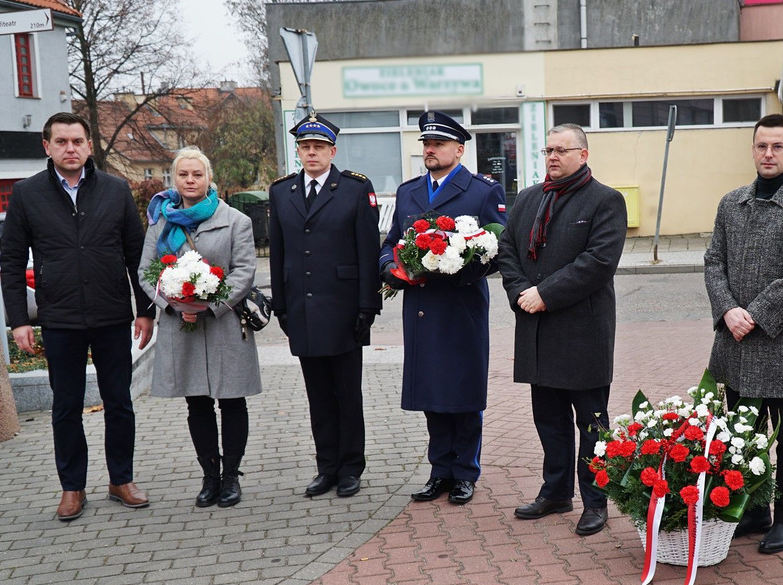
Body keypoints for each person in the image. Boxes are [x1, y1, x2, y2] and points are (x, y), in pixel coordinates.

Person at [0, 111, 155, 522]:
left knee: (119, 402)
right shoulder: (27, 194)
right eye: (62, 142)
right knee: (65, 407)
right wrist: (19, 321)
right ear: (47, 147)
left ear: (89, 145)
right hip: (61, 318)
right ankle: (72, 488)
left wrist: (146, 312)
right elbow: (12, 262)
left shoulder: (116, 190)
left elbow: (136, 256)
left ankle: (121, 480)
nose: (71, 149)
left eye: (77, 141)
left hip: (112, 315)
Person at [704, 113, 783, 554]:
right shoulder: (730, 202)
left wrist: (753, 314)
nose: (769, 154)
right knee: (744, 433)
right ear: (753, 149)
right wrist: (727, 310)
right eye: (762, 146)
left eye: (778, 147)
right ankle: (755, 508)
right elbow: (713, 262)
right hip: (735, 342)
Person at [499, 123, 627, 536]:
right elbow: (508, 252)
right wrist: (523, 293)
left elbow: (598, 262)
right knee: (548, 420)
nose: (553, 157)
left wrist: (545, 294)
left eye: (561, 150)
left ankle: (595, 502)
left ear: (583, 155)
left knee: (591, 423)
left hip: (581, 331)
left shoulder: (605, 200)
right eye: (548, 150)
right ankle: (555, 492)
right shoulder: (527, 199)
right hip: (536, 328)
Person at [379, 112, 507, 506]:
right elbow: (390, 243)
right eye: (425, 144)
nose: (429, 150)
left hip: (461, 306)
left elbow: (499, 249)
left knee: (463, 393)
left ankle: (466, 472)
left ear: (459, 149)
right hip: (421, 308)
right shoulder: (408, 192)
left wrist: (459, 264)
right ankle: (440, 471)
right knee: (432, 392)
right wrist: (391, 270)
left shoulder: (482, 191)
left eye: (437, 144)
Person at [138, 148, 261, 508]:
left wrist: (211, 304)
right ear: (173, 180)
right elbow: (146, 272)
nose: (190, 181)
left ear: (209, 178)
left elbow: (244, 271)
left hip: (224, 324)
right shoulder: (161, 222)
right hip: (181, 324)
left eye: (197, 174)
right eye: (183, 175)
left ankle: (232, 477)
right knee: (197, 402)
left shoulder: (236, 220)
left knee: (232, 400)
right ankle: (209, 476)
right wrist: (173, 304)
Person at [269, 114, 382, 499]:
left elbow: (368, 252)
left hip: (345, 309)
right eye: (305, 146)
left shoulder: (353, 189)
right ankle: (327, 468)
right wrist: (281, 306)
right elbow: (278, 252)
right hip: (301, 308)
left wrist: (369, 306)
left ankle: (351, 467)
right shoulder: (281, 191)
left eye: (319, 146)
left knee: (347, 395)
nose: (311, 152)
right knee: (317, 395)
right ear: (298, 151)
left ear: (333, 151)